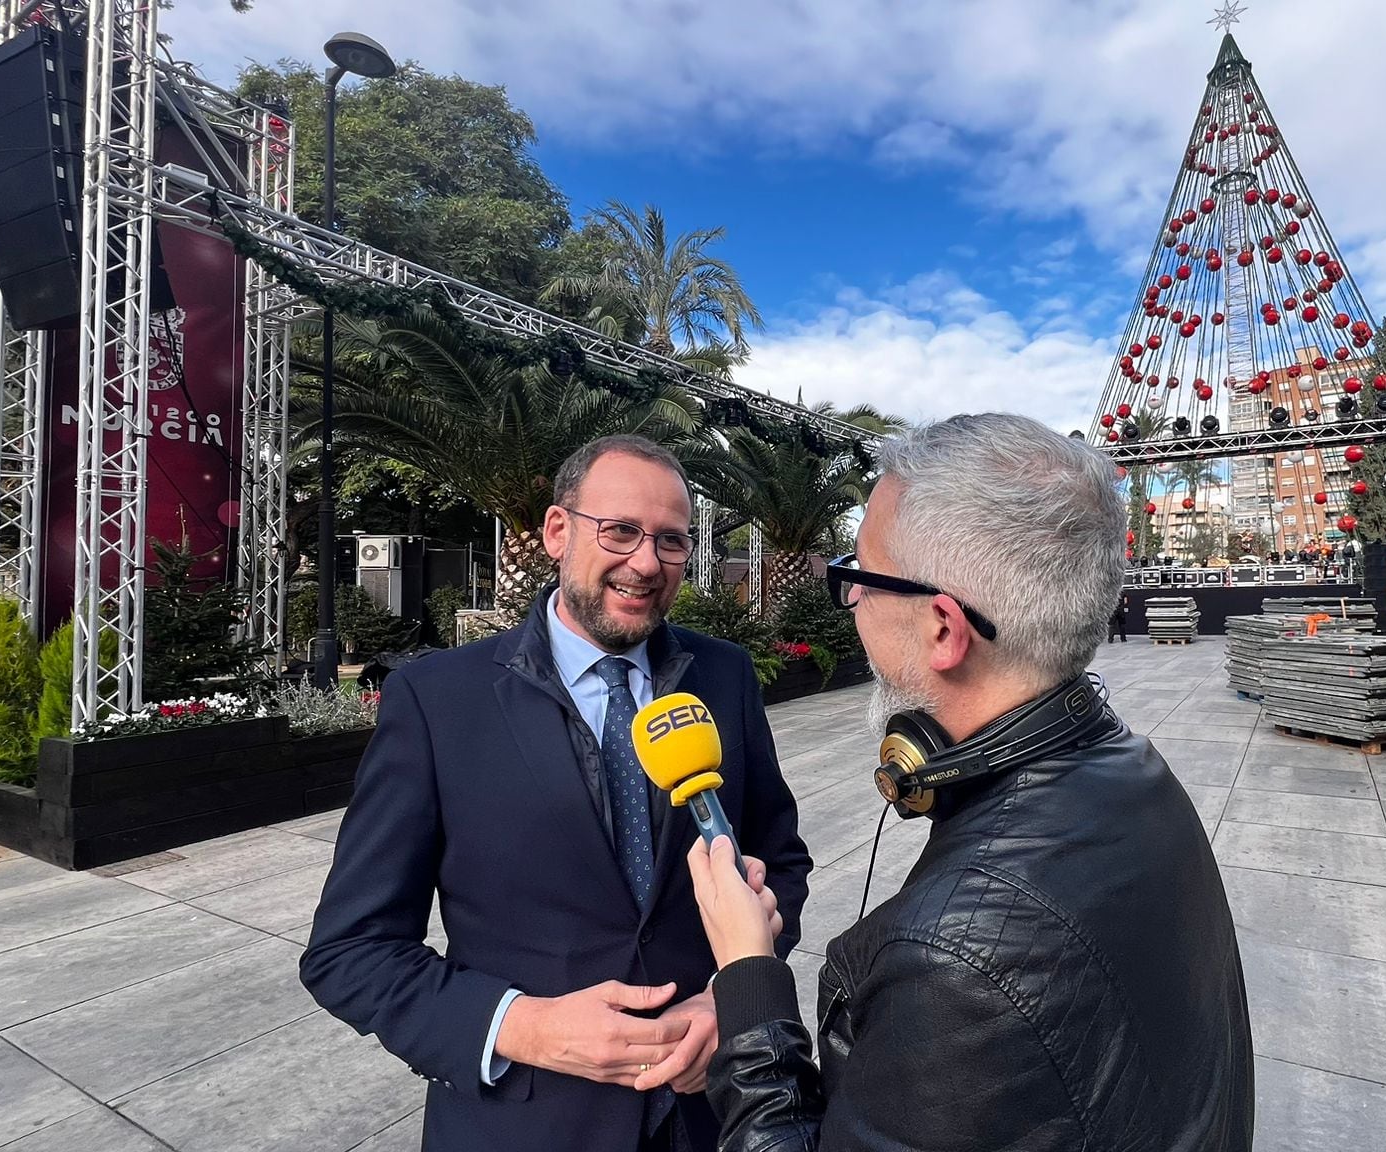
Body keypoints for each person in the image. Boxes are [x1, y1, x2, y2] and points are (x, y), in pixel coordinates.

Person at [687, 414, 1253, 1151]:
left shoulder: (952, 958)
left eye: (858, 578)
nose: (851, 602)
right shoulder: (1139, 774)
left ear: (944, 630)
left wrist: (748, 976)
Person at [301, 435, 814, 1152]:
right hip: (525, 1122)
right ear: (556, 531)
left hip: (710, 1116)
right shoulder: (438, 699)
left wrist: (732, 998)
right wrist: (523, 1027)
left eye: (671, 541)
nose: (646, 562)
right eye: (622, 531)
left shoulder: (723, 676)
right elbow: (350, 950)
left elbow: (781, 865)